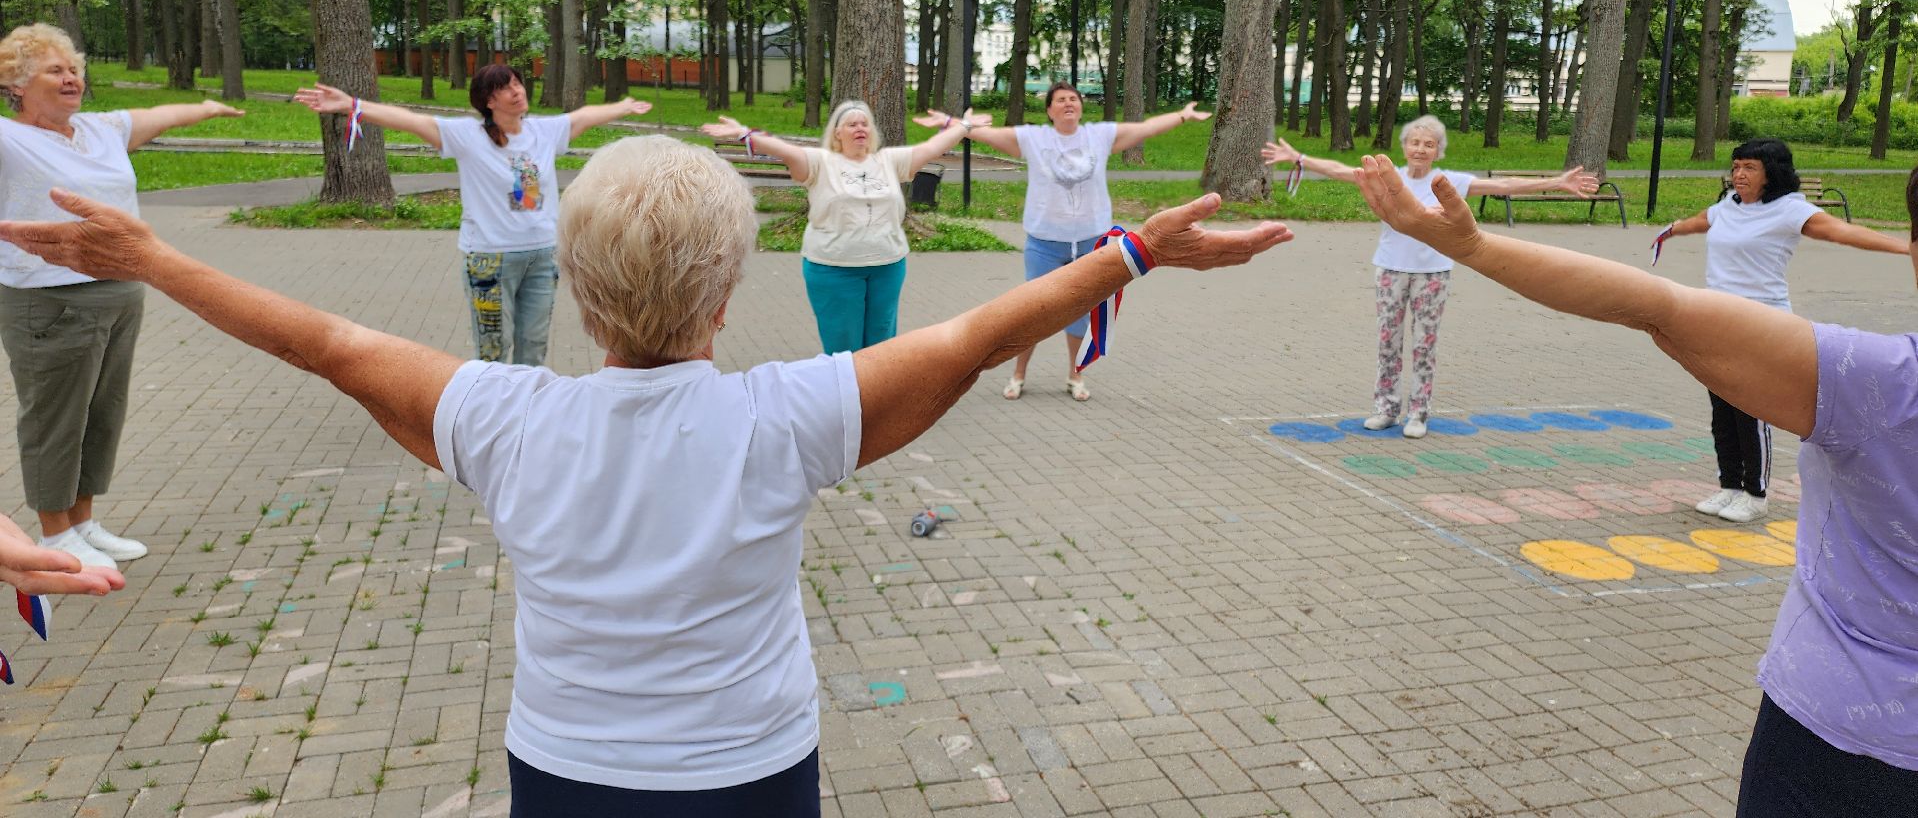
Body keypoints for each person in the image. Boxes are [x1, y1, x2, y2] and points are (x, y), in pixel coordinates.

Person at [0, 137, 1288, 814]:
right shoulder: (783, 417)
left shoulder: (506, 420)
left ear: (583, 292)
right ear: (728, 291)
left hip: (566, 774)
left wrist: (153, 257)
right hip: (753, 773)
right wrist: (1131, 252)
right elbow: (974, 337)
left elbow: (326, 342)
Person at [1355, 154, 1918, 818]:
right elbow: (1678, 267)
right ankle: (1736, 486)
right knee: (1728, 428)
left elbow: (1656, 307)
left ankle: (1749, 488)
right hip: (1849, 735)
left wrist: (1475, 248)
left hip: (1841, 736)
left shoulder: (1882, 384)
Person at [0, 22, 243, 571]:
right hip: (49, 300)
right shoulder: (8, 137)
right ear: (15, 83)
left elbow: (160, 116)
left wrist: (205, 106)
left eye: (75, 69)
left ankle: (83, 521)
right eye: (55, 71)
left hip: (120, 291)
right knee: (54, 418)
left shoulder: (100, 130)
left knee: (101, 413)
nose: (71, 79)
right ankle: (54, 535)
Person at [1261, 114, 1598, 438]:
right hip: (1391, 271)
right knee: (1388, 343)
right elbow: (1339, 169)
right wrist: (1299, 157)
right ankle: (1386, 408)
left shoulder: (1448, 182)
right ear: (1404, 146)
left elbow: (1504, 183)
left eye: (1429, 144)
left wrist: (1557, 181)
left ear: (1438, 150)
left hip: (1433, 274)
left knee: (1424, 345)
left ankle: (1418, 413)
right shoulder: (1388, 176)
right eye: (1414, 142)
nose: (1420, 149)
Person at [295, 67, 650, 366]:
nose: (515, 91)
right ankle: (490, 418)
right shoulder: (467, 136)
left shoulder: (543, 131)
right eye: (503, 88)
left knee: (534, 346)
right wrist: (353, 106)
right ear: (488, 101)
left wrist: (623, 105)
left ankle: (526, 416)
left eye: (516, 83)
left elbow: (584, 116)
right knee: (494, 349)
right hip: (489, 260)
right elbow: (410, 121)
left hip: (542, 257)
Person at [1654, 138, 1910, 524]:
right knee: (1722, 410)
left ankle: (1755, 494)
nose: (1739, 174)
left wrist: (1906, 248)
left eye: (1750, 167)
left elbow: (1841, 232)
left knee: (1751, 410)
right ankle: (1730, 486)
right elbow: (1699, 222)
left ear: (1771, 172)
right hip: (1714, 321)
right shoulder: (1729, 206)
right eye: (1737, 166)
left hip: (1761, 325)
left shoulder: (1790, 210)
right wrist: (1672, 230)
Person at [966, 82, 1213, 401]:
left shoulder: (1099, 136)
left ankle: (1075, 375)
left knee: (1083, 309)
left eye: (1073, 99)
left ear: (1081, 107)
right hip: (1045, 241)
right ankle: (1018, 375)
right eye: (1060, 100)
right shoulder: (1035, 138)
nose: (1068, 103)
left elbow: (1145, 129)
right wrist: (961, 126)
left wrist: (1181, 116)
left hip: (1091, 242)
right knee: (1030, 311)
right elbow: (991, 136)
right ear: (1050, 111)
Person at [699, 102, 989, 353]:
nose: (859, 127)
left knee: (883, 345)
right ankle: (848, 408)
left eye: (865, 123)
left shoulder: (889, 160)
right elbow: (786, 151)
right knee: (844, 347)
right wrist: (744, 134)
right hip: (833, 268)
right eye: (851, 124)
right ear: (838, 133)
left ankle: (878, 405)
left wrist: (963, 125)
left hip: (887, 266)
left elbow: (931, 147)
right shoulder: (822, 162)